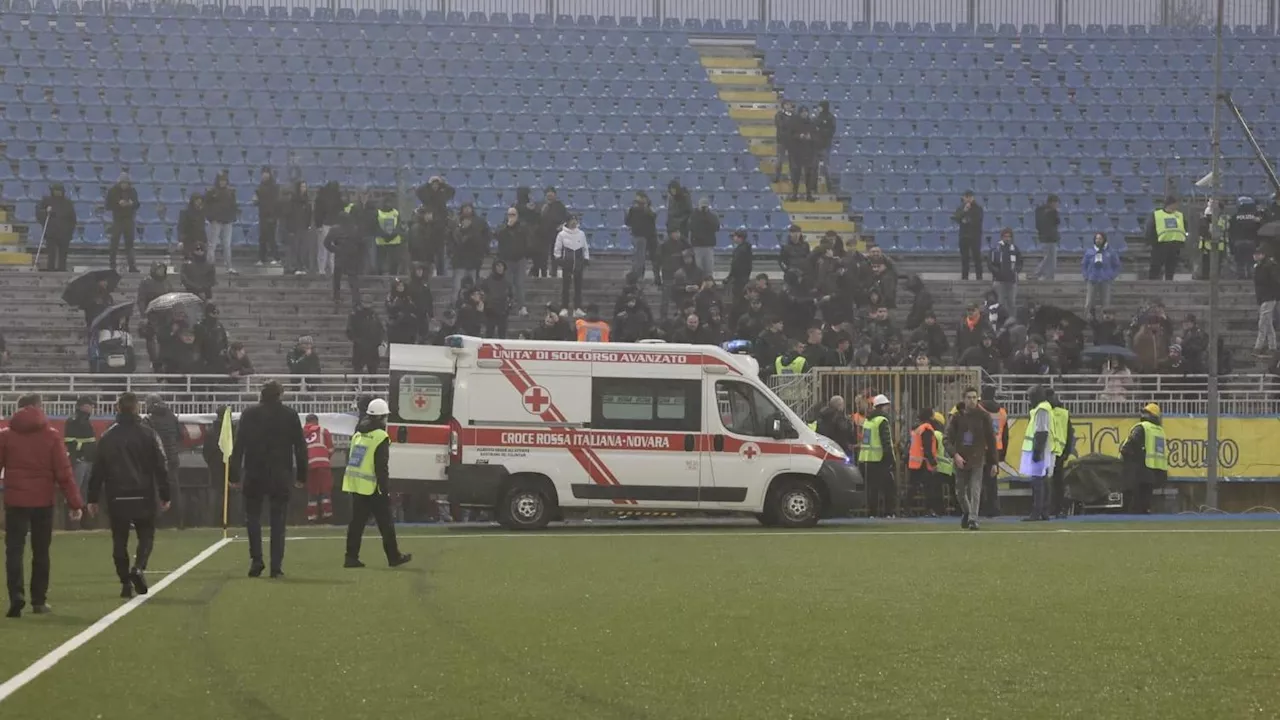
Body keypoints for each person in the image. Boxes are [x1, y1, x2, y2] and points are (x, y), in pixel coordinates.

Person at [1, 394, 83, 617]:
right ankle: (38, 600)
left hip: (15, 501)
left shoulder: (6, 436)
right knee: (41, 551)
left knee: (14, 551)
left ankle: (16, 597)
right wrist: (75, 502)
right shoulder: (51, 436)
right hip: (42, 501)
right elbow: (64, 473)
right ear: (38, 407)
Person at [87, 392, 170, 600]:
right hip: (144, 494)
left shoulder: (107, 436)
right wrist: (165, 492)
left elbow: (98, 469)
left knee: (119, 540)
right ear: (137, 408)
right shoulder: (148, 434)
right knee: (146, 535)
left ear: (117, 408)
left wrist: (92, 498)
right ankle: (139, 568)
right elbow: (161, 465)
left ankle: (125, 582)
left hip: (117, 495)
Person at [228, 381, 307, 579]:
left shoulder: (249, 414)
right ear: (280, 394)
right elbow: (300, 447)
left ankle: (256, 560)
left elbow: (238, 447)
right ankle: (276, 567)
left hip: (254, 472)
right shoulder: (290, 415)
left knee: (252, 518)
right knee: (278, 521)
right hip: (280, 474)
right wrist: (302, 475)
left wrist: (234, 475)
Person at [343, 399, 412, 568]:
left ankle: (351, 557)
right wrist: (384, 487)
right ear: (382, 417)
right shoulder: (381, 436)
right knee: (386, 523)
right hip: (373, 486)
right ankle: (393, 556)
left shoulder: (358, 433)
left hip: (357, 484)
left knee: (356, 523)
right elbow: (381, 465)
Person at [944, 387, 997, 530]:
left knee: (975, 489)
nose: (972, 400)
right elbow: (947, 439)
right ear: (964, 399)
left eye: (974, 397)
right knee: (960, 492)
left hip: (978, 458)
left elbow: (991, 440)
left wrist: (994, 463)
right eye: (969, 397)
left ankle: (973, 519)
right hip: (961, 457)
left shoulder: (984, 417)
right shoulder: (957, 417)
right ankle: (967, 512)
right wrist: (955, 455)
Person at [143, 394, 183, 525]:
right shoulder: (172, 416)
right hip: (173, 457)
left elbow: (147, 440)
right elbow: (180, 436)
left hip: (159, 458)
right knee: (174, 488)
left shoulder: (149, 419)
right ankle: (178, 519)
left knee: (157, 488)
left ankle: (160, 520)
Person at [1121, 403, 1167, 514]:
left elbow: (1127, 447)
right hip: (1153, 472)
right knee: (1146, 505)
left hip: (1138, 471)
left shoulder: (1142, 427)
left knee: (1134, 505)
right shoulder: (1160, 431)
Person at [1018, 385, 1054, 521]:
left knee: (1038, 482)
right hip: (1041, 448)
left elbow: (1041, 432)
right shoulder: (1043, 408)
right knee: (1043, 481)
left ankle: (1037, 512)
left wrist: (1037, 452)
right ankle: (1044, 511)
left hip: (1039, 449)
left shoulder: (1041, 410)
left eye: (1030, 397)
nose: (1029, 400)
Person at [858, 394, 896, 518]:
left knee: (872, 489)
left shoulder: (868, 421)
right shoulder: (882, 421)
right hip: (880, 459)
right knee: (889, 487)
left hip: (867, 458)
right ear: (882, 407)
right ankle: (888, 513)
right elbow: (885, 441)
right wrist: (890, 459)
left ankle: (872, 513)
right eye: (886, 406)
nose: (888, 408)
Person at [64, 396, 98, 527]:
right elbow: (70, 442)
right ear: (82, 406)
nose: (92, 408)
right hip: (80, 461)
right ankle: (73, 523)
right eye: (90, 405)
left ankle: (82, 522)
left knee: (83, 493)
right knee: (76, 492)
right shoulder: (74, 421)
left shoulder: (85, 421)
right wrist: (82, 453)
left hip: (87, 461)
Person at [494, 205, 530, 317]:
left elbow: (527, 241)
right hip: (507, 260)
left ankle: (522, 307)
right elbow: (497, 236)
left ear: (517, 216)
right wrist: (507, 227)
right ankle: (508, 306)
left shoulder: (523, 228)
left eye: (513, 215)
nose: (511, 217)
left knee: (519, 284)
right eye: (509, 215)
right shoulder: (502, 227)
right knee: (508, 284)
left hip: (520, 259)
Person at [978, 386, 1008, 517]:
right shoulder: (1002, 412)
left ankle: (980, 508)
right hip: (997, 448)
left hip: (981, 448)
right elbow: (1006, 434)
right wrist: (1003, 454)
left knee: (978, 479)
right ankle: (994, 508)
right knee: (992, 481)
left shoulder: (978, 409)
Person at [450, 202, 489, 299]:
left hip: (474, 261)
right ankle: (454, 306)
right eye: (465, 208)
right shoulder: (455, 224)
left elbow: (486, 237)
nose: (467, 210)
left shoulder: (479, 223)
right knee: (457, 287)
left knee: (474, 287)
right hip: (459, 261)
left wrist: (482, 251)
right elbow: (451, 241)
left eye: (469, 208)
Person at [907, 408, 941, 517]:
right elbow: (927, 448)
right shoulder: (927, 429)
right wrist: (933, 463)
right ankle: (929, 510)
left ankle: (907, 509)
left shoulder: (917, 429)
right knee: (929, 488)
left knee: (913, 487)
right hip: (924, 463)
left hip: (914, 462)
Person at [36, 182, 76, 272]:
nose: (57, 193)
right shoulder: (46, 201)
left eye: (59, 191)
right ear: (52, 191)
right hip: (51, 232)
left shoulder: (68, 203)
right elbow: (38, 213)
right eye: (56, 191)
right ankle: (51, 269)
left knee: (63, 254)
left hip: (64, 233)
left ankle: (62, 269)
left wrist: (70, 232)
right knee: (51, 254)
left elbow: (73, 219)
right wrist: (45, 212)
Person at [204, 171, 238, 275]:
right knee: (212, 244)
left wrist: (232, 217)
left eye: (224, 180)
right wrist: (210, 218)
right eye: (221, 180)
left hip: (227, 221)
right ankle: (209, 267)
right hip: (216, 221)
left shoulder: (231, 193)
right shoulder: (211, 192)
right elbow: (206, 206)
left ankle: (229, 266)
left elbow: (234, 206)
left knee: (227, 245)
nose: (222, 182)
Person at [1047, 390, 1074, 518]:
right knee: (1058, 482)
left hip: (1051, 452)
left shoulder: (1047, 412)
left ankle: (1053, 508)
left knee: (1051, 482)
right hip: (1060, 451)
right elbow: (1070, 434)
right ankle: (1059, 509)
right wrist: (1067, 451)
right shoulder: (1064, 413)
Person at [554, 215, 590, 312]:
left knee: (578, 287)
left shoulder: (581, 234)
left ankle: (577, 308)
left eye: (575, 220)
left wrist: (586, 258)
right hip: (567, 264)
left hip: (578, 264)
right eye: (572, 221)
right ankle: (564, 307)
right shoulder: (561, 234)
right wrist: (559, 259)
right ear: (568, 222)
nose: (574, 222)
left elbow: (585, 247)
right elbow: (557, 249)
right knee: (566, 287)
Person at [302, 414, 334, 522]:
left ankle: (312, 517)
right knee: (325, 490)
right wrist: (325, 458)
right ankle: (327, 514)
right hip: (323, 464)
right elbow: (330, 450)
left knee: (312, 491)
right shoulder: (324, 431)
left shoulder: (302, 433)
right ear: (317, 421)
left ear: (306, 422)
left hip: (309, 465)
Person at [105, 172, 139, 273]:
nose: (124, 185)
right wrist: (118, 203)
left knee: (130, 245)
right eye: (123, 183)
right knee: (114, 243)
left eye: (126, 183)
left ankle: (132, 266)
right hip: (118, 220)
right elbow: (108, 205)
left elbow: (137, 204)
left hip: (129, 219)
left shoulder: (132, 191)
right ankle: (112, 265)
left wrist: (131, 204)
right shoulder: (113, 191)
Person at [1146, 195, 1185, 280]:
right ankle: (1152, 286)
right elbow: (1150, 229)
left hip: (1175, 245)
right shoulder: (1157, 215)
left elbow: (1184, 228)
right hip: (1160, 245)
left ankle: (1169, 286)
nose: (1177, 206)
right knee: (1156, 267)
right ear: (1171, 204)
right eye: (1176, 203)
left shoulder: (1179, 215)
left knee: (1171, 268)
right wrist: (1153, 243)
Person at [1082, 231, 1121, 312]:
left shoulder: (1110, 252)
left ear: (1104, 240)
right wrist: (1086, 276)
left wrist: (1111, 276)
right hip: (1092, 279)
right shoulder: (1089, 251)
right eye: (1096, 238)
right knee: (1089, 303)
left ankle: (1105, 321)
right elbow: (1084, 265)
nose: (1098, 240)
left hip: (1105, 280)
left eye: (1100, 238)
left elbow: (1117, 265)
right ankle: (1088, 319)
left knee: (1105, 303)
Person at [1253, 246, 1280, 358]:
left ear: (1263, 255)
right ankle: (1272, 347)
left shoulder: (1269, 266)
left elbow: (1275, 282)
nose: (1255, 256)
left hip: (1269, 297)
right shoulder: (1258, 267)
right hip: (1263, 297)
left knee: (1263, 322)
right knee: (1268, 323)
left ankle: (1258, 347)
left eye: (1258, 254)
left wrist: (1275, 296)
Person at [282, 181, 314, 276]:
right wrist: (290, 229)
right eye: (302, 186)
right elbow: (288, 215)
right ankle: (293, 267)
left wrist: (308, 225)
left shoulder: (307, 201)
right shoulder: (292, 201)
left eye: (305, 186)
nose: (304, 188)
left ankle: (302, 266)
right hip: (294, 228)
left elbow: (309, 214)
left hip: (304, 228)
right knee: (294, 249)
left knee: (303, 249)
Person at [537, 187, 569, 279]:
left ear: (555, 195)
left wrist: (561, 226)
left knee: (554, 254)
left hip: (555, 234)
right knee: (542, 254)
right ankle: (543, 272)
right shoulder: (541, 205)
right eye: (548, 194)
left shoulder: (560, 206)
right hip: (542, 234)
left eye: (551, 194)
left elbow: (566, 218)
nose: (550, 196)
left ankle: (553, 272)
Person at [625, 191, 658, 281]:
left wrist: (646, 208)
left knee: (653, 258)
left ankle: (656, 277)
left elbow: (653, 217)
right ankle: (638, 276)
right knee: (639, 258)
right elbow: (628, 222)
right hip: (639, 235)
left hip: (650, 236)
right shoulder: (633, 210)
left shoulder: (649, 209)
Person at [988, 227, 1023, 312]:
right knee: (1000, 304)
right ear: (1002, 237)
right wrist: (997, 273)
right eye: (1005, 236)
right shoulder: (996, 248)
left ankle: (1012, 321)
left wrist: (1016, 270)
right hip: (999, 281)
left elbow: (1020, 262)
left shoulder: (1015, 249)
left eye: (1009, 236)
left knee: (1012, 304)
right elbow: (990, 263)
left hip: (1012, 281)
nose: (1007, 238)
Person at [313, 180, 344, 275]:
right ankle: (327, 269)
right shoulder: (335, 198)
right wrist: (319, 225)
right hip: (329, 225)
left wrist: (318, 225)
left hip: (329, 225)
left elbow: (317, 212)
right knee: (329, 249)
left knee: (326, 249)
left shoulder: (322, 197)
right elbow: (318, 212)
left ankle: (324, 269)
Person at [788, 106, 818, 202]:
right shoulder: (794, 123)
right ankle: (794, 194)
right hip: (797, 152)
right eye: (803, 112)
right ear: (800, 113)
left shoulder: (811, 123)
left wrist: (811, 137)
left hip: (809, 152)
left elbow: (816, 136)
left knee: (808, 175)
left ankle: (809, 195)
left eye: (806, 112)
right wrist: (799, 136)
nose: (805, 113)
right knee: (796, 174)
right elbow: (790, 135)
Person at [1230, 196, 1264, 279]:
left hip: (1238, 243)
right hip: (1251, 242)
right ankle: (1250, 275)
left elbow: (1231, 232)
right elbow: (1259, 231)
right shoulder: (1256, 217)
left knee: (1239, 262)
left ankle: (1241, 276)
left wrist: (1231, 246)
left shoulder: (1234, 217)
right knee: (1251, 261)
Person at [253, 166, 281, 266]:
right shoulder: (260, 186)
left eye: (266, 173)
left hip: (272, 216)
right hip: (262, 215)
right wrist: (255, 200)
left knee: (271, 238)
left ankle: (276, 257)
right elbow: (257, 201)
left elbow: (276, 202)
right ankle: (262, 258)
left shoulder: (274, 187)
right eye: (263, 173)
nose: (264, 175)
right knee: (262, 238)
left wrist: (273, 215)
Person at [953, 190, 984, 281]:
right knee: (964, 259)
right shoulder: (961, 208)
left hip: (975, 236)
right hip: (964, 236)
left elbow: (977, 220)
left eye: (970, 197)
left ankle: (979, 277)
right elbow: (956, 217)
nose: (968, 199)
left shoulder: (978, 208)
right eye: (966, 197)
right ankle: (965, 277)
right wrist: (964, 211)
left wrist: (967, 221)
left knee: (976, 258)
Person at [347, 302, 384, 374]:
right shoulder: (355, 315)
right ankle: (357, 385)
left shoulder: (374, 315)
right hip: (360, 349)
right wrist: (357, 340)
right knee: (358, 372)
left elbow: (380, 330)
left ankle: (371, 385)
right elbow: (349, 330)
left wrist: (378, 341)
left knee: (372, 373)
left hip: (371, 349)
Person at [1030, 194, 1061, 280]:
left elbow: (1038, 225)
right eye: (1056, 203)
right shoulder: (1053, 212)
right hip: (1050, 238)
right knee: (1050, 259)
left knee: (1048, 258)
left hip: (1043, 237)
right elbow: (1057, 222)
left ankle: (1044, 275)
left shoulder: (1039, 210)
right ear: (1052, 202)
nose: (1057, 205)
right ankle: (1041, 275)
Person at [374, 195, 405, 277]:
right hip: (381, 242)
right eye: (386, 203)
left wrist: (393, 234)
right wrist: (384, 235)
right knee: (380, 263)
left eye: (390, 203)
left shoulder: (396, 212)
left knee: (394, 263)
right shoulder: (377, 212)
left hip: (394, 241)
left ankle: (393, 279)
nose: (388, 204)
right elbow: (375, 226)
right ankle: (380, 279)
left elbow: (399, 226)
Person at [812, 100, 836, 186]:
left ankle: (829, 185)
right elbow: (814, 129)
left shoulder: (830, 118)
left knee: (826, 167)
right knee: (814, 167)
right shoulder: (817, 117)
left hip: (825, 145)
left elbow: (831, 131)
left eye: (820, 106)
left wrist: (820, 129)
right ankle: (813, 186)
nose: (818, 108)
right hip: (816, 145)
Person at [177, 194, 207, 260]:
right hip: (188, 240)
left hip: (199, 240)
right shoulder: (184, 212)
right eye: (197, 202)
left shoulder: (202, 213)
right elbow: (181, 227)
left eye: (200, 202)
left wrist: (205, 240)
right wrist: (180, 240)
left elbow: (202, 227)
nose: (198, 204)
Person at [726, 228, 753, 300]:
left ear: (740, 238)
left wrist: (730, 277)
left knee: (738, 298)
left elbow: (735, 265)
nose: (733, 238)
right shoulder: (746, 248)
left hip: (739, 279)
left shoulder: (740, 250)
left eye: (735, 236)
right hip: (744, 277)